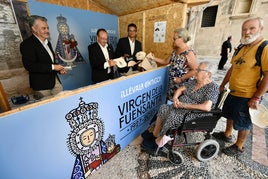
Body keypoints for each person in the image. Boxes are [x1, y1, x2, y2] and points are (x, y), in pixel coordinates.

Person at [215, 17, 268, 156]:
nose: (247, 32)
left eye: (252, 28)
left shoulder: (264, 48)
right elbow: (233, 68)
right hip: (233, 92)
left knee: (243, 122)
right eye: (244, 29)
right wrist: (222, 84)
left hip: (248, 95)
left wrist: (256, 97)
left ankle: (239, 146)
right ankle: (227, 134)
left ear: (260, 29)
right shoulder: (241, 47)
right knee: (230, 114)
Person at [141, 62, 219, 151]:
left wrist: (186, 105)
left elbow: (206, 107)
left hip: (195, 113)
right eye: (197, 69)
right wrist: (175, 98)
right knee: (164, 107)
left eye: (199, 70)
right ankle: (155, 134)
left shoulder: (212, 87)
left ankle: (159, 143)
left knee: (173, 116)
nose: (195, 72)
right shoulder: (195, 81)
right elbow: (181, 89)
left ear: (208, 74)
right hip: (181, 107)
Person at [20, 15, 67, 100]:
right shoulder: (27, 44)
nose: (47, 31)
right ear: (34, 29)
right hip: (42, 87)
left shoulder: (47, 43)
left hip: (55, 82)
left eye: (47, 28)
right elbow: (30, 66)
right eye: (43, 28)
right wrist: (53, 67)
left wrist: (59, 69)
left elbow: (50, 62)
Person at [151, 28, 198, 101]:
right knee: (171, 103)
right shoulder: (175, 51)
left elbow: (194, 70)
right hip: (172, 84)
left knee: (179, 104)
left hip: (182, 85)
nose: (173, 41)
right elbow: (165, 61)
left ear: (182, 39)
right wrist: (153, 58)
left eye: (174, 39)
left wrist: (181, 79)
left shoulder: (189, 53)